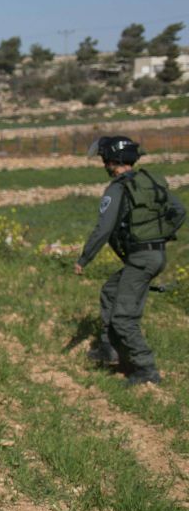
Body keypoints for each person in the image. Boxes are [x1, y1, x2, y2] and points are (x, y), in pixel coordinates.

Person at [75, 136, 184, 386]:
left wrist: (84, 259)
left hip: (140, 259)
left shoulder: (117, 188)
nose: (104, 165)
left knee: (124, 317)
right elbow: (179, 212)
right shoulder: (149, 181)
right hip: (155, 255)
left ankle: (146, 369)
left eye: (105, 160)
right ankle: (109, 349)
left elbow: (104, 229)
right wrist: (158, 236)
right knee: (110, 291)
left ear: (113, 161)